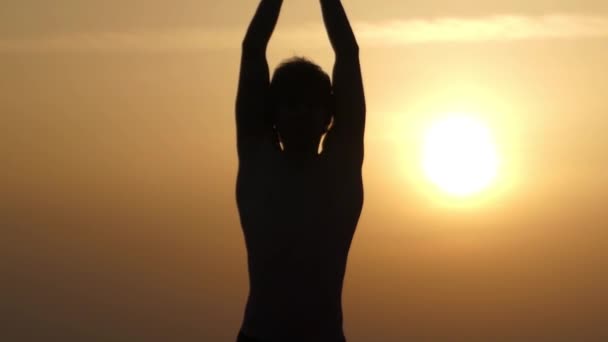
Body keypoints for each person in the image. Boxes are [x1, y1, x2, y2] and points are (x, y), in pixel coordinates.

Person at [235, 0, 365, 341]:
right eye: (291, 104)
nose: (301, 112)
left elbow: (348, 54)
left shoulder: (341, 171)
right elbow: (252, 50)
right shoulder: (258, 163)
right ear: (273, 115)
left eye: (311, 104)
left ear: (328, 117)